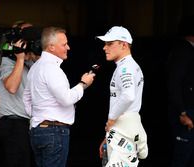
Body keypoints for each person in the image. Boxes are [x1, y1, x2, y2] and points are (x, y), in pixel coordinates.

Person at [22, 26, 96, 167]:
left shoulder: (35, 67)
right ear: (51, 47)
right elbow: (66, 99)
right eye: (64, 44)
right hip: (54, 131)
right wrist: (83, 84)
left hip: (38, 130)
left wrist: (39, 116)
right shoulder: (52, 69)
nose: (68, 47)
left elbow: (26, 98)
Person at [96, 26, 148, 167]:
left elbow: (128, 96)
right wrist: (109, 136)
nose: (104, 48)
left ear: (124, 45)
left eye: (110, 43)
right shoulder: (126, 66)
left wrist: (112, 119)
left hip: (124, 131)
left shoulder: (126, 68)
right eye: (105, 44)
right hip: (122, 131)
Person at [0, 22, 42, 167]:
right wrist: (20, 58)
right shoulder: (7, 62)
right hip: (14, 123)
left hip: (31, 124)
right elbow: (12, 87)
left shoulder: (32, 62)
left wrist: (33, 54)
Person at [166, 15, 194, 167]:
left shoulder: (186, 50)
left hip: (186, 109)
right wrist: (182, 112)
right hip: (184, 112)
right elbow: (174, 83)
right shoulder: (183, 51)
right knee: (182, 157)